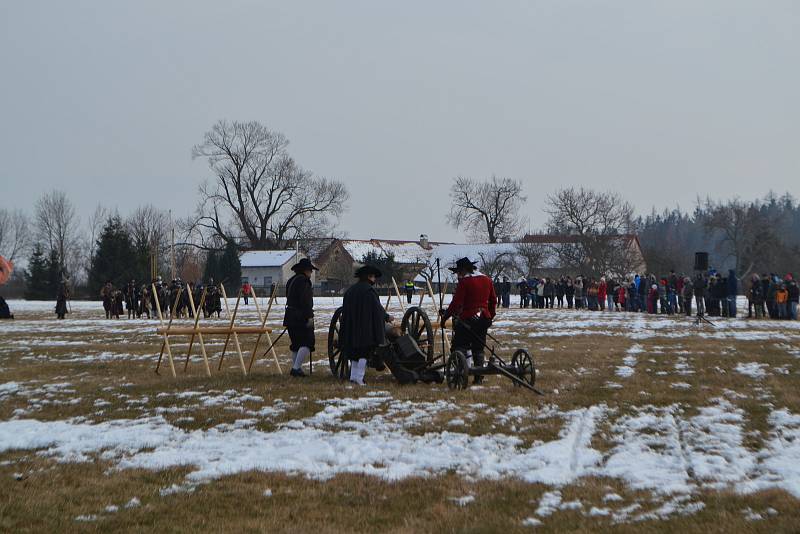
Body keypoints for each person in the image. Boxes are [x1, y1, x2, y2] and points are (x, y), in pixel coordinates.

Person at [440, 257, 496, 384]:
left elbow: (456, 303)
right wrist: (490, 316)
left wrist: (445, 317)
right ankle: (478, 377)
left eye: (458, 272)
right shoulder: (487, 279)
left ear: (463, 271)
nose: (458, 275)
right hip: (483, 319)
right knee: (478, 348)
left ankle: (459, 372)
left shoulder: (464, 282)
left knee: (459, 345)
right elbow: (493, 300)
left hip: (468, 319)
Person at [340, 265, 391, 386]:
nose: (374, 279)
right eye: (373, 277)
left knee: (354, 353)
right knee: (364, 353)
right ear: (368, 277)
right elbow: (377, 309)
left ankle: (353, 377)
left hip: (351, 327)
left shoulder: (350, 291)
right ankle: (359, 378)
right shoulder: (369, 291)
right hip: (365, 328)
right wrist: (387, 317)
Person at [283, 258, 318, 378]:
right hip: (300, 316)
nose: (311, 273)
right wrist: (309, 317)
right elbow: (306, 301)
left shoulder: (291, 280)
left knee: (296, 344)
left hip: (290, 315)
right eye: (310, 270)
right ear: (305, 270)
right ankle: (296, 368)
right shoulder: (304, 281)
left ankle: (297, 369)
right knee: (307, 342)